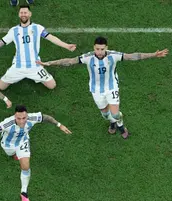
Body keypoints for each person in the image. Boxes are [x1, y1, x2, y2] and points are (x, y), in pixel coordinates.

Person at [37, 36, 169, 139]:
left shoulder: (113, 55)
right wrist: (49, 63)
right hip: (96, 90)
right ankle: (112, 122)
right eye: (97, 49)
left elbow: (133, 56)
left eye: (102, 49)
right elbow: (69, 61)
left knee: (116, 113)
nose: (99, 52)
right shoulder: (88, 57)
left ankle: (121, 125)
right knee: (106, 115)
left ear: (106, 48)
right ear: (94, 48)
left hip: (111, 88)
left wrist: (153, 54)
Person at [0, 105, 72, 201]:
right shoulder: (7, 123)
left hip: (22, 142)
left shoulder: (32, 118)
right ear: (14, 116)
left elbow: (46, 117)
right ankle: (14, 155)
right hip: (8, 145)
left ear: (27, 115)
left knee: (25, 166)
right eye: (18, 118)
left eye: (24, 118)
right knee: (11, 154)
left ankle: (24, 192)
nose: (21, 121)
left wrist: (59, 125)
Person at [0, 5, 76, 90]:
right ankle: (17, 75)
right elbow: (1, 42)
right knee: (1, 87)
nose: (23, 14)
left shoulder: (38, 28)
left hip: (35, 65)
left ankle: (34, 76)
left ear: (30, 14)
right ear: (19, 15)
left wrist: (66, 46)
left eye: (25, 12)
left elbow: (51, 38)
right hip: (18, 66)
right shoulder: (14, 30)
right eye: (21, 13)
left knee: (52, 85)